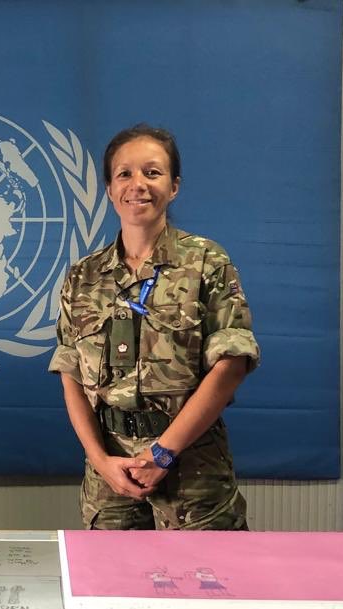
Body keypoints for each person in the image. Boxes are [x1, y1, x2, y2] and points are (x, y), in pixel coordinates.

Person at [49, 125, 259, 530]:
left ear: (174, 186)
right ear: (110, 189)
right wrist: (99, 459)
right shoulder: (83, 277)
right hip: (111, 477)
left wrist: (164, 452)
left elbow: (231, 364)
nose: (138, 185)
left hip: (192, 473)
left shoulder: (206, 262)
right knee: (111, 573)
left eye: (152, 172)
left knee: (202, 573)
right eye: (124, 174)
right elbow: (69, 372)